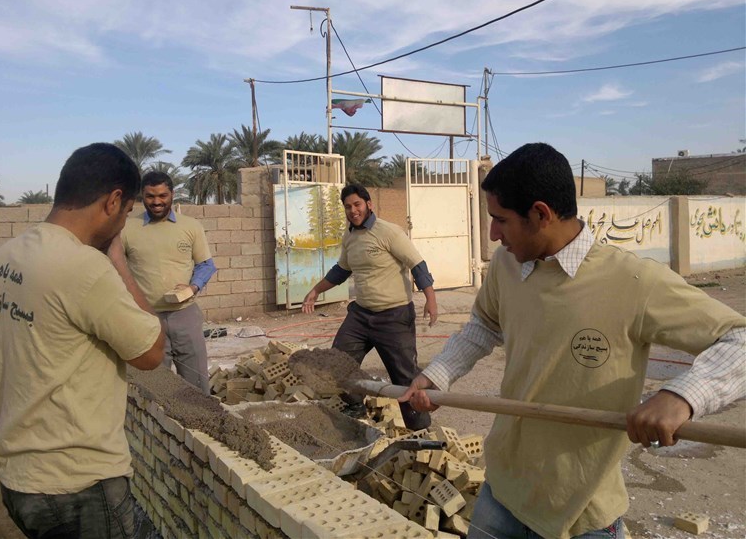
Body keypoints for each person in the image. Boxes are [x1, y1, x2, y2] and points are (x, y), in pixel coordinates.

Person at [399, 142, 746, 539]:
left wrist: (683, 396)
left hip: (581, 514)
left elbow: (740, 339)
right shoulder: (506, 267)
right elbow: (484, 324)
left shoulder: (633, 282)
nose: (492, 234)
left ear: (541, 214)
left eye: (500, 220)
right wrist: (437, 374)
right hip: (502, 495)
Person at [0, 143, 166, 538]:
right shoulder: (85, 267)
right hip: (78, 486)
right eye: (128, 212)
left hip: (18, 481)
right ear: (114, 201)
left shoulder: (3, 258)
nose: (123, 226)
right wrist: (116, 259)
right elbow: (151, 353)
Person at [302, 183, 438, 430]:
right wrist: (315, 291)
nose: (353, 210)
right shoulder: (350, 237)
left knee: (405, 379)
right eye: (348, 207)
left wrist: (431, 298)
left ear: (368, 205)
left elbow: (416, 263)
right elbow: (341, 270)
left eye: (357, 204)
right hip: (361, 316)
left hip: (394, 317)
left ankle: (420, 432)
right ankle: (354, 406)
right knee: (338, 361)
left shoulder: (389, 232)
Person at [121, 171, 216, 392]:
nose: (157, 202)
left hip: (185, 315)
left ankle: (199, 424)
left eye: (162, 195)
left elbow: (206, 265)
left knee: (197, 386)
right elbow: (114, 268)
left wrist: (192, 287)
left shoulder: (190, 226)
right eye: (150, 196)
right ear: (142, 197)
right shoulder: (127, 229)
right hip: (147, 318)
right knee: (155, 388)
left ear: (172, 194)